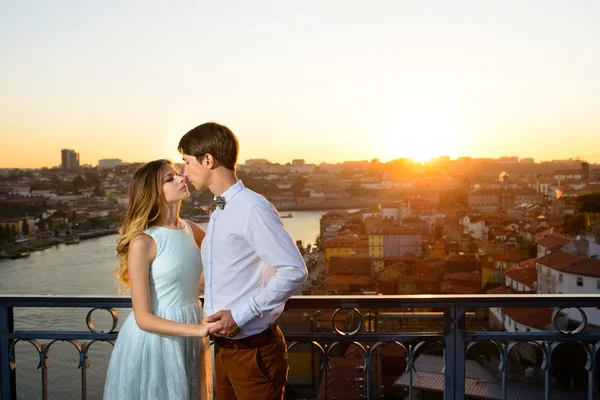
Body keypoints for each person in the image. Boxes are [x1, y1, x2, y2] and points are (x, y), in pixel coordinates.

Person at [179, 122, 308, 400]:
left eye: (187, 163)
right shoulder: (220, 207)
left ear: (208, 160)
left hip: (254, 353)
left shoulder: (252, 208)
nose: (184, 173)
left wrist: (240, 315)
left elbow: (294, 271)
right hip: (225, 348)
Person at [104, 159, 213, 400]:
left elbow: (222, 267)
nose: (181, 178)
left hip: (191, 332)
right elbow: (143, 318)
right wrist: (199, 330)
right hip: (156, 342)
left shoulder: (193, 229)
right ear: (153, 194)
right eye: (169, 178)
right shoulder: (143, 242)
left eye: (177, 174)